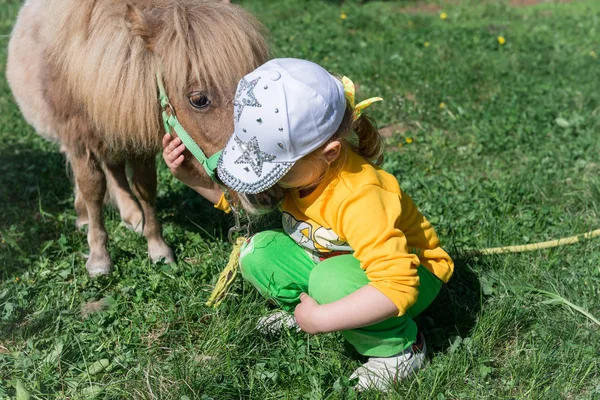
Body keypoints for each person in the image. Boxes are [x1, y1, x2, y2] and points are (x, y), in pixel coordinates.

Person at [162, 58, 454, 391]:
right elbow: (244, 206)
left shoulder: (359, 196)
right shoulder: (300, 171)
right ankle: (306, 309)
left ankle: (400, 349)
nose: (264, 180)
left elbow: (396, 286)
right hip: (334, 263)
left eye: (273, 168)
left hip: (413, 274)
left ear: (330, 153)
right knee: (258, 252)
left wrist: (324, 319)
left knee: (328, 279)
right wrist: (190, 178)